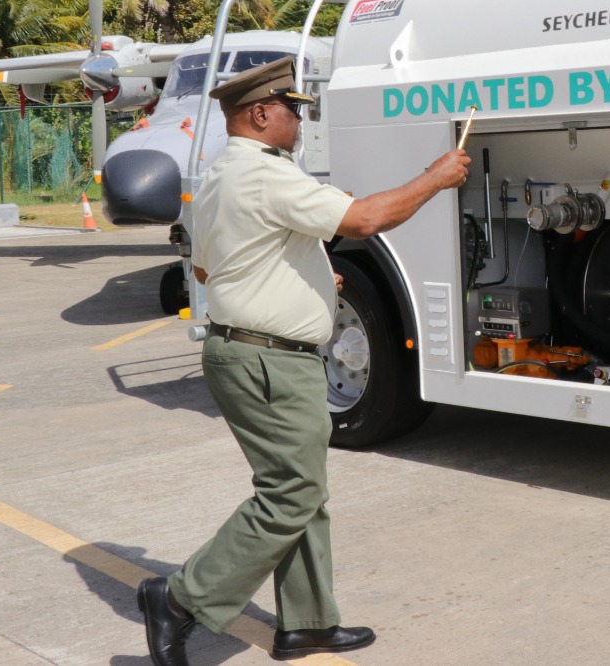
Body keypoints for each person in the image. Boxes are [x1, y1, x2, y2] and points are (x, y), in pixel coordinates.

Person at [138, 56, 470, 664]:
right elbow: (366, 219)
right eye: (294, 110)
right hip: (269, 361)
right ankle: (180, 598)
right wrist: (435, 177)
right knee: (291, 494)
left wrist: (309, 280)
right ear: (262, 113)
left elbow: (213, 269)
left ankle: (308, 624)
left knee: (302, 492)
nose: (300, 121)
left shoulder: (218, 177)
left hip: (247, 352)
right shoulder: (268, 174)